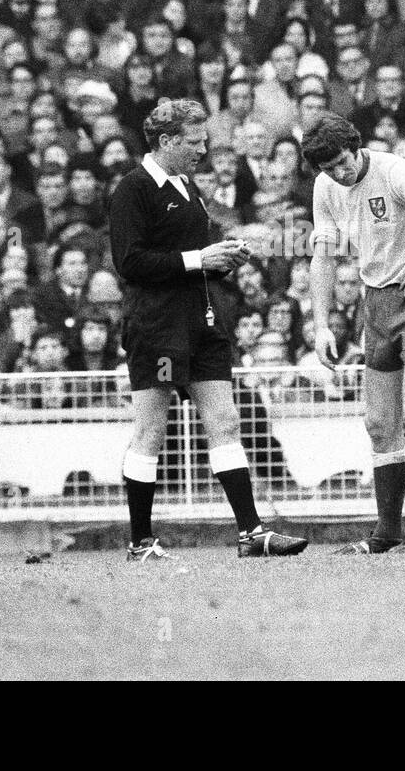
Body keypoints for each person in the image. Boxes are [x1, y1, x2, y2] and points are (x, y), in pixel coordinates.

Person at [107, 97, 307, 561]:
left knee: (225, 421)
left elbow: (192, 258)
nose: (202, 150)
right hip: (155, 327)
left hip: (201, 320)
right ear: (167, 141)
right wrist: (200, 259)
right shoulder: (133, 189)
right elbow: (130, 262)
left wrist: (224, 258)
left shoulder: (187, 186)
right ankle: (139, 541)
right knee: (151, 430)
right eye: (194, 142)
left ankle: (251, 533)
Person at [304, 112, 405, 553]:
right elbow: (324, 255)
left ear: (356, 147)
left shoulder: (394, 171)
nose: (340, 173)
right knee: (379, 425)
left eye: (342, 162)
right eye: (329, 168)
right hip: (374, 303)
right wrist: (320, 325)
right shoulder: (325, 187)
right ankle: (387, 533)